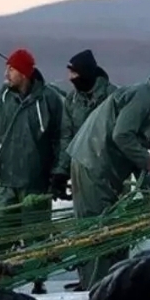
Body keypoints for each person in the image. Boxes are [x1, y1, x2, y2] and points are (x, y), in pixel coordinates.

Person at [66, 50, 150, 290]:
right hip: (92, 164)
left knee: (111, 229)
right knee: (97, 230)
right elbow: (122, 135)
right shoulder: (144, 98)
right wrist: (148, 160)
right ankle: (95, 289)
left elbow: (135, 143)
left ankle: (109, 285)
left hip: (100, 165)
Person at [0, 47, 65, 293]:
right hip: (4, 181)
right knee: (3, 235)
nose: (7, 73)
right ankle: (2, 285)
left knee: (37, 235)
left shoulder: (50, 100)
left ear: (24, 73)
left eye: (12, 69)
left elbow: (62, 137)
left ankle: (38, 281)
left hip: (35, 181)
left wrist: (59, 171)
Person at [54, 49, 118, 201]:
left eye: (74, 74)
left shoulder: (113, 97)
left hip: (112, 174)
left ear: (86, 73)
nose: (70, 78)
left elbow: (123, 135)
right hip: (81, 173)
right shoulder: (72, 100)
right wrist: (61, 173)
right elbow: (67, 138)